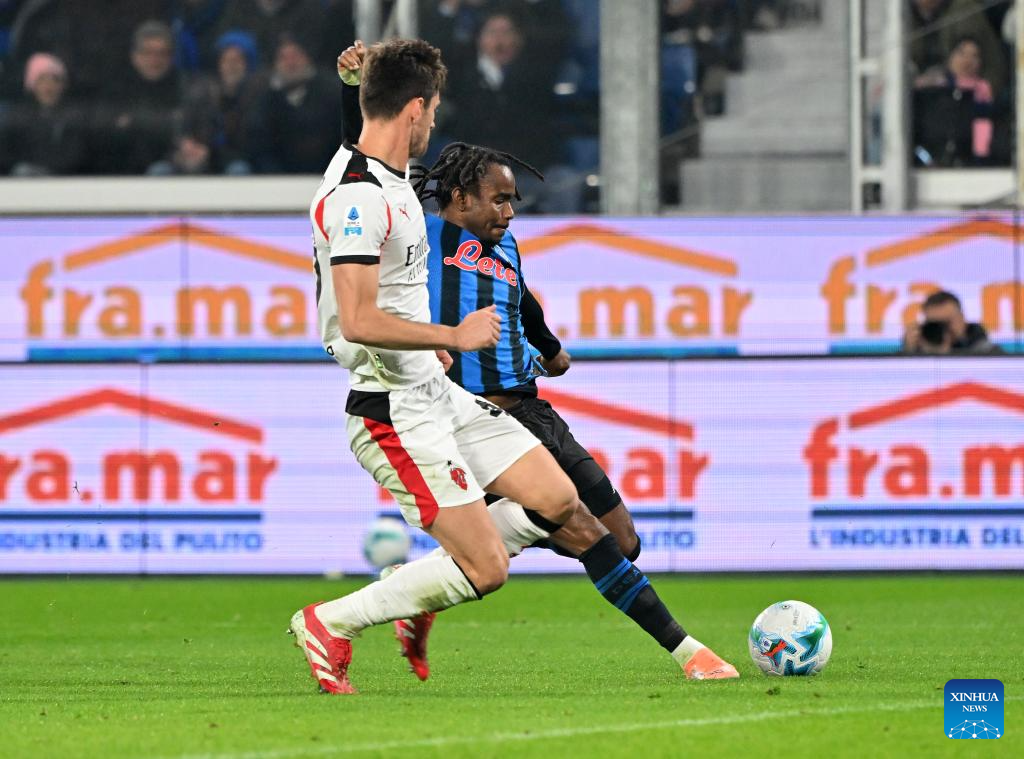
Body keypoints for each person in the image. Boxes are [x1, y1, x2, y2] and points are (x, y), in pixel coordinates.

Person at [330, 41, 739, 687]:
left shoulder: (507, 250)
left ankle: (423, 581)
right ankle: (691, 654)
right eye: (498, 199)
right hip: (468, 410)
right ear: (459, 198)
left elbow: (524, 302)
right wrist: (357, 88)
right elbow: (366, 164)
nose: (509, 211)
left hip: (530, 407)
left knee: (622, 539)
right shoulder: (423, 231)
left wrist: (551, 351)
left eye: (512, 200)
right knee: (579, 527)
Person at [0, 51, 87, 176]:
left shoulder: (75, 117)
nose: (49, 87)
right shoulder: (17, 117)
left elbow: (78, 157)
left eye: (55, 80)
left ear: (63, 85)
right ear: (32, 85)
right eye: (42, 80)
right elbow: (6, 153)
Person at [902, 290, 1002, 355]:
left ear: (962, 319)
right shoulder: (918, 349)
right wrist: (909, 352)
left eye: (947, 322)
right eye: (935, 324)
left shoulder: (989, 353)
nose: (943, 330)